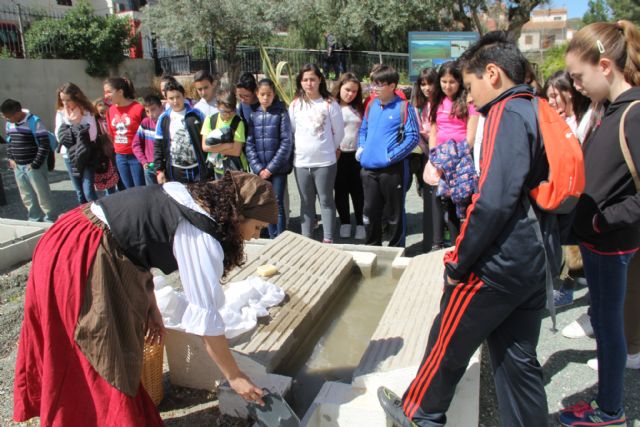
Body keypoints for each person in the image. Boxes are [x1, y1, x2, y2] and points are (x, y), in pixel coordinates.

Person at [377, 31, 559, 427]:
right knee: (517, 358)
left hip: (501, 262)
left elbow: (493, 199)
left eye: (471, 83)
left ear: (492, 74)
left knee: (448, 338)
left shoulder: (505, 113)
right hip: (536, 257)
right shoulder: (535, 106)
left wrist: (459, 261)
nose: (468, 95)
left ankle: (419, 413)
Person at [13, 170, 276, 426]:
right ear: (236, 216)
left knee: (107, 344)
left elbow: (139, 243)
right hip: (79, 255)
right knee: (100, 349)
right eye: (257, 227)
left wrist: (151, 305)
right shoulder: (200, 235)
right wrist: (235, 376)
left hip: (74, 234)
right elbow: (207, 321)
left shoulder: (192, 199)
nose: (255, 236)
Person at [559, 20, 640, 427]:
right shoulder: (612, 110)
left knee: (609, 331)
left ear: (605, 65)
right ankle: (607, 404)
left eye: (578, 76)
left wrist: (600, 220)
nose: (575, 86)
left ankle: (610, 412)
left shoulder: (634, 114)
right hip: (598, 242)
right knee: (606, 326)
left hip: (611, 244)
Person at [357, 64, 419, 247]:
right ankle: (372, 247)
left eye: (379, 84)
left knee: (394, 214)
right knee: (370, 213)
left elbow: (413, 137)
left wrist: (390, 157)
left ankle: (396, 250)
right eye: (373, 83)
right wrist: (362, 148)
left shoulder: (403, 107)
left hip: (392, 171)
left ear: (392, 86)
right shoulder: (371, 106)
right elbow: (363, 130)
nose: (374, 88)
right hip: (368, 170)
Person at [289, 63, 345, 243]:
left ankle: (328, 238)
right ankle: (307, 239)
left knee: (326, 200)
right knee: (306, 202)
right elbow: (292, 131)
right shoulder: (295, 104)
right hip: (302, 163)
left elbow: (339, 132)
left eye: (312, 79)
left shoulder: (330, 104)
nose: (309, 83)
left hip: (325, 163)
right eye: (305, 80)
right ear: (300, 82)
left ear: (319, 80)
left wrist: (329, 149)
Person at [428, 61, 479, 248]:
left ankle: (460, 245)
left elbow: (471, 137)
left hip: (460, 161)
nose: (447, 86)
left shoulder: (468, 102)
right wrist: (434, 158)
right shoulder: (436, 102)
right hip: (440, 161)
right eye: (443, 81)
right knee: (441, 202)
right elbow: (434, 132)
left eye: (452, 82)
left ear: (459, 82)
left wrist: (454, 158)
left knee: (460, 204)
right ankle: (441, 244)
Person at [245, 78, 293, 238]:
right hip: (261, 170)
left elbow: (286, 143)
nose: (265, 98)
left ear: (274, 95)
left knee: (277, 203)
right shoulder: (254, 115)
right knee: (266, 204)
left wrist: (270, 168)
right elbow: (250, 144)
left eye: (269, 94)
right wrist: (259, 168)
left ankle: (280, 238)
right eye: (262, 94)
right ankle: (272, 238)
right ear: (257, 95)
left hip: (277, 170)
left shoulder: (281, 113)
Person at [1, 99, 57, 222]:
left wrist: (36, 163)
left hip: (33, 166)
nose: (6, 120)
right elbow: (9, 142)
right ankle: (34, 218)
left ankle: (51, 219)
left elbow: (44, 144)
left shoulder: (34, 122)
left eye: (8, 117)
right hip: (18, 167)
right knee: (27, 196)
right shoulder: (10, 124)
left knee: (43, 195)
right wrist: (11, 158)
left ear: (17, 113)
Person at [332, 72, 365, 240]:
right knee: (340, 191)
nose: (350, 94)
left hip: (357, 156)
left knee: (358, 191)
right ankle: (345, 222)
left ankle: (360, 223)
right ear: (340, 88)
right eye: (347, 90)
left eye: (354, 91)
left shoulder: (360, 108)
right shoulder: (332, 106)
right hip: (338, 155)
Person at [154, 80, 208, 184]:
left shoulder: (196, 115)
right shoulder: (164, 118)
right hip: (176, 170)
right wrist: (159, 170)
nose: (175, 101)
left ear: (184, 96)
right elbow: (158, 146)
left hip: (198, 168)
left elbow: (207, 138)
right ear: (166, 99)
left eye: (178, 97)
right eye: (171, 98)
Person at [55, 82, 99, 205]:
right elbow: (60, 136)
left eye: (68, 100)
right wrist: (79, 132)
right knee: (79, 192)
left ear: (76, 97)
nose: (65, 103)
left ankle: (98, 216)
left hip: (85, 154)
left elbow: (92, 135)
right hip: (68, 155)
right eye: (62, 100)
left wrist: (70, 131)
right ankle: (85, 219)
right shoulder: (60, 112)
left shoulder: (86, 112)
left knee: (88, 191)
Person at [410, 67, 438, 251]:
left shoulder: (442, 103)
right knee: (427, 193)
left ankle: (440, 234)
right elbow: (416, 132)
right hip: (424, 153)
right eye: (423, 84)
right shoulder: (417, 106)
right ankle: (431, 234)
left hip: (441, 153)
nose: (427, 88)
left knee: (440, 196)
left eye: (430, 83)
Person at [104, 77, 146, 188]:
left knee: (140, 189)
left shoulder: (138, 108)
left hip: (136, 156)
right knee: (128, 189)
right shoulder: (110, 110)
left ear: (120, 92)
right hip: (120, 156)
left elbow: (146, 134)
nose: (106, 96)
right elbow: (111, 133)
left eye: (109, 92)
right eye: (105, 92)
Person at [201, 89, 249, 180]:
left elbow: (236, 151)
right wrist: (228, 145)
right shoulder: (210, 120)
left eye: (230, 112)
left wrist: (215, 149)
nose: (227, 115)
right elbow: (205, 147)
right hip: (218, 170)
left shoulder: (238, 123)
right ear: (217, 106)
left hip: (236, 171)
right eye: (223, 111)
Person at [543, 70, 592, 140]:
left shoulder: (588, 115)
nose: (550, 102)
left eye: (554, 96)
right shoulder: (560, 120)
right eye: (548, 98)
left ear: (569, 92)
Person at [132, 95, 163, 186]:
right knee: (152, 194)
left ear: (161, 108)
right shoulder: (145, 123)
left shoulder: (166, 122)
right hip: (149, 167)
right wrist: (143, 160)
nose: (150, 114)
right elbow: (135, 144)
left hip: (163, 167)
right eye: (147, 111)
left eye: (153, 109)